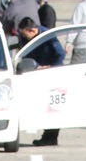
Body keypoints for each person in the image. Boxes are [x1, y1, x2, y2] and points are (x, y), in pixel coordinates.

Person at [16, 18, 66, 147]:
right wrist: (37, 66)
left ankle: (50, 136)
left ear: (32, 30)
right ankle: (47, 135)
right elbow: (25, 53)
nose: (24, 37)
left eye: (25, 34)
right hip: (36, 71)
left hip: (52, 73)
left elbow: (60, 53)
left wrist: (51, 67)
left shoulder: (47, 36)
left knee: (53, 106)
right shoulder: (25, 36)